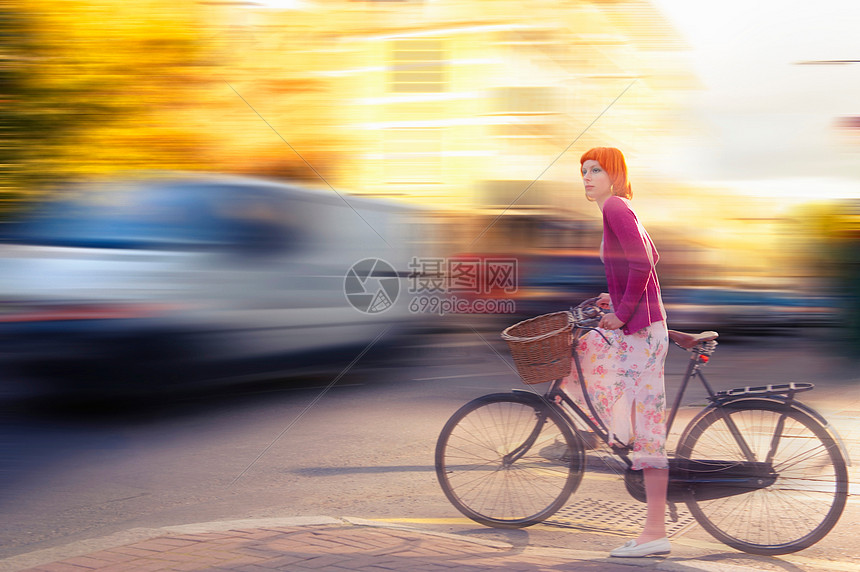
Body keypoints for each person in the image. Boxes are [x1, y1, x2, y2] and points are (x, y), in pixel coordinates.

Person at [563, 147, 671, 558]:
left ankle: (654, 533)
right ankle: (611, 433)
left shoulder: (615, 209)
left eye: (596, 170)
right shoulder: (620, 208)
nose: (587, 177)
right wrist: (617, 296)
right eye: (584, 171)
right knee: (590, 351)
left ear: (614, 174)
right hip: (643, 330)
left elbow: (644, 262)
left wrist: (624, 312)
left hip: (641, 333)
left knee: (647, 433)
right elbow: (650, 258)